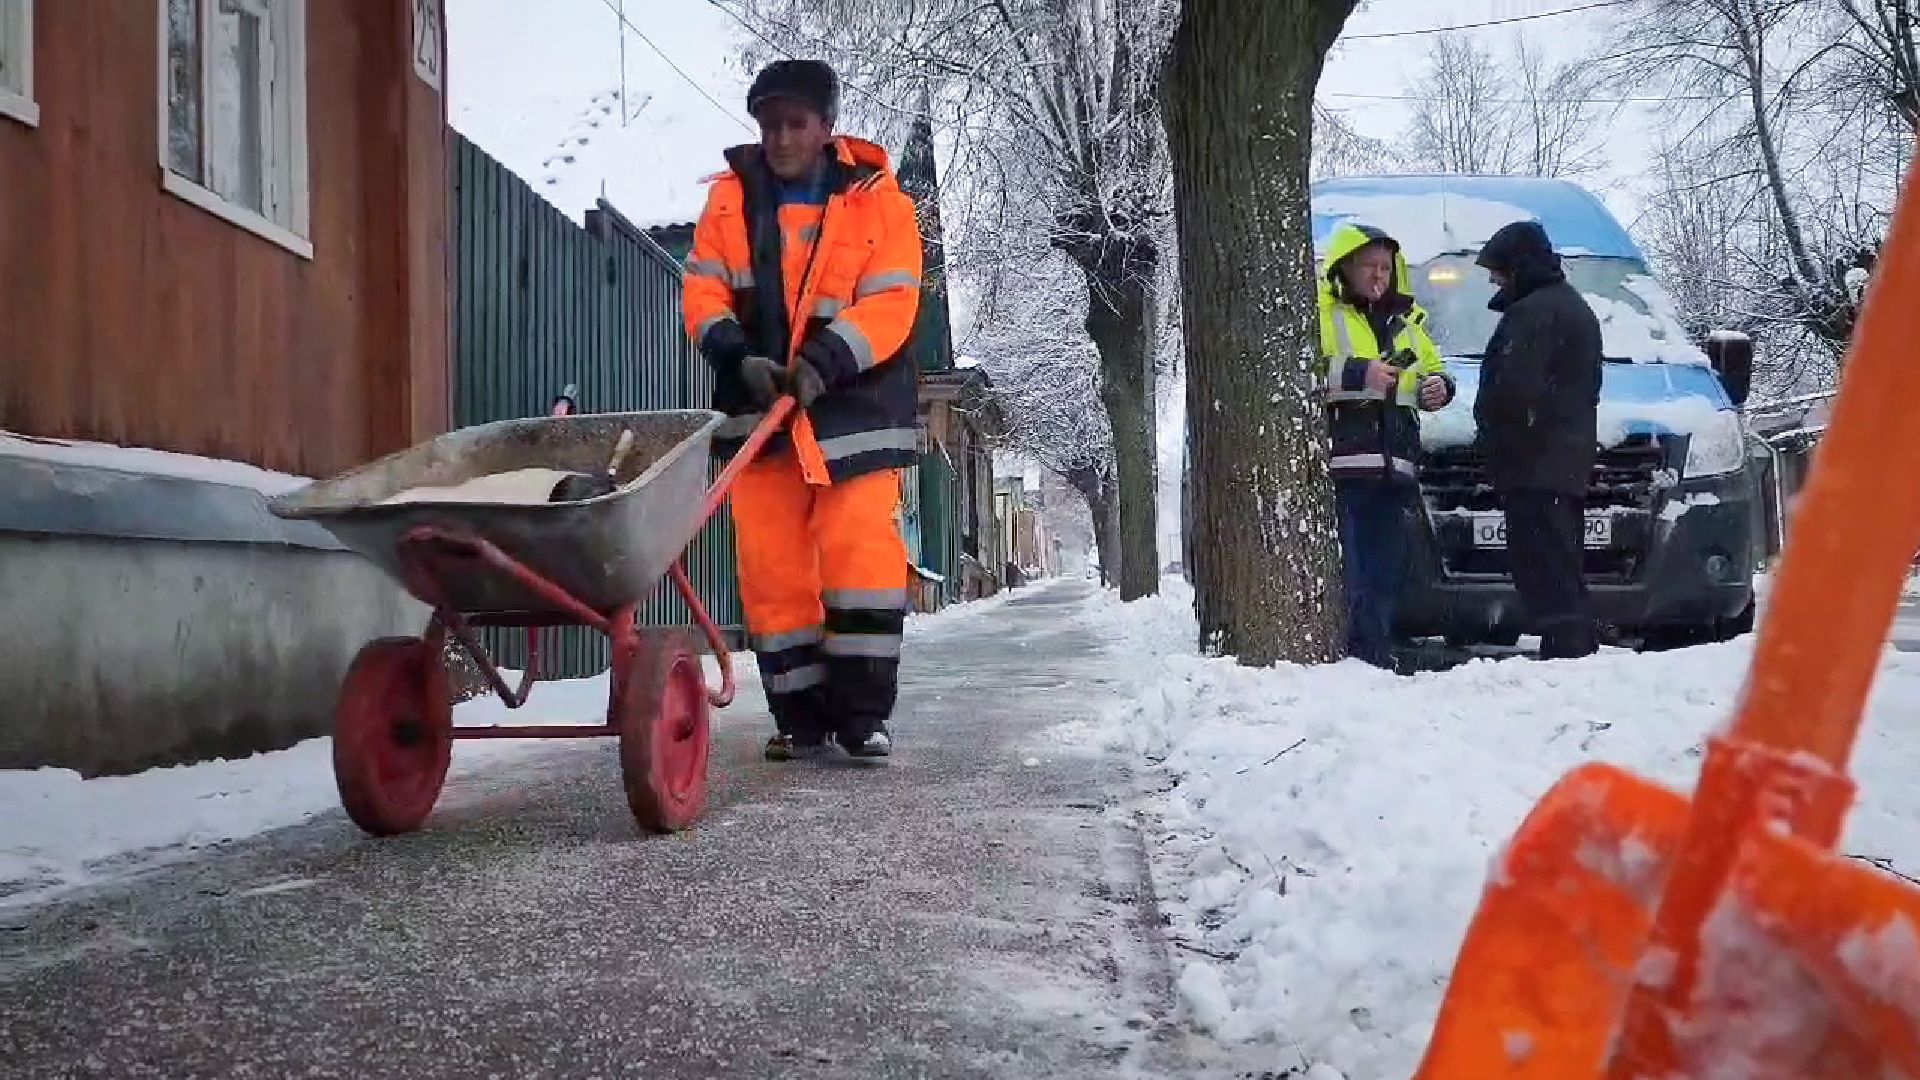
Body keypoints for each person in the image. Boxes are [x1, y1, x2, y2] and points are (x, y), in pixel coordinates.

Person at [681, 59, 924, 760]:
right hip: (760, 414)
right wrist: (736, 356)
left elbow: (891, 303)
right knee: (772, 572)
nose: (781, 138)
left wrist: (825, 360)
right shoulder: (728, 202)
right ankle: (799, 719)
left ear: (826, 127)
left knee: (860, 559)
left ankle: (863, 717)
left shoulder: (879, 203)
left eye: (796, 123)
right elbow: (702, 294)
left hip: (853, 411)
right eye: (770, 125)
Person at [1318, 222, 1456, 670]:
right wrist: (1360, 375)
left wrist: (1440, 388)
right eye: (1368, 266)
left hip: (1396, 465)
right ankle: (1357, 656)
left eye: (1385, 267)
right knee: (1352, 570)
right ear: (1344, 268)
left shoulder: (1407, 322)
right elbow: (1302, 373)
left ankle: (1374, 653)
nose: (1379, 275)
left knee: (1384, 571)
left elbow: (1433, 369)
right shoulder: (1322, 313)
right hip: (1345, 464)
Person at [1472, 220, 1604, 660]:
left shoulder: (1533, 314)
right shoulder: (1568, 307)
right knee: (1560, 562)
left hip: (1534, 462)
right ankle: (1571, 644)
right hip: (1559, 460)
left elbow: (1511, 389)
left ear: (1518, 267)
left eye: (1498, 271)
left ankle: (1566, 650)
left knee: (1545, 566)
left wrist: (1496, 439)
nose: (1493, 280)